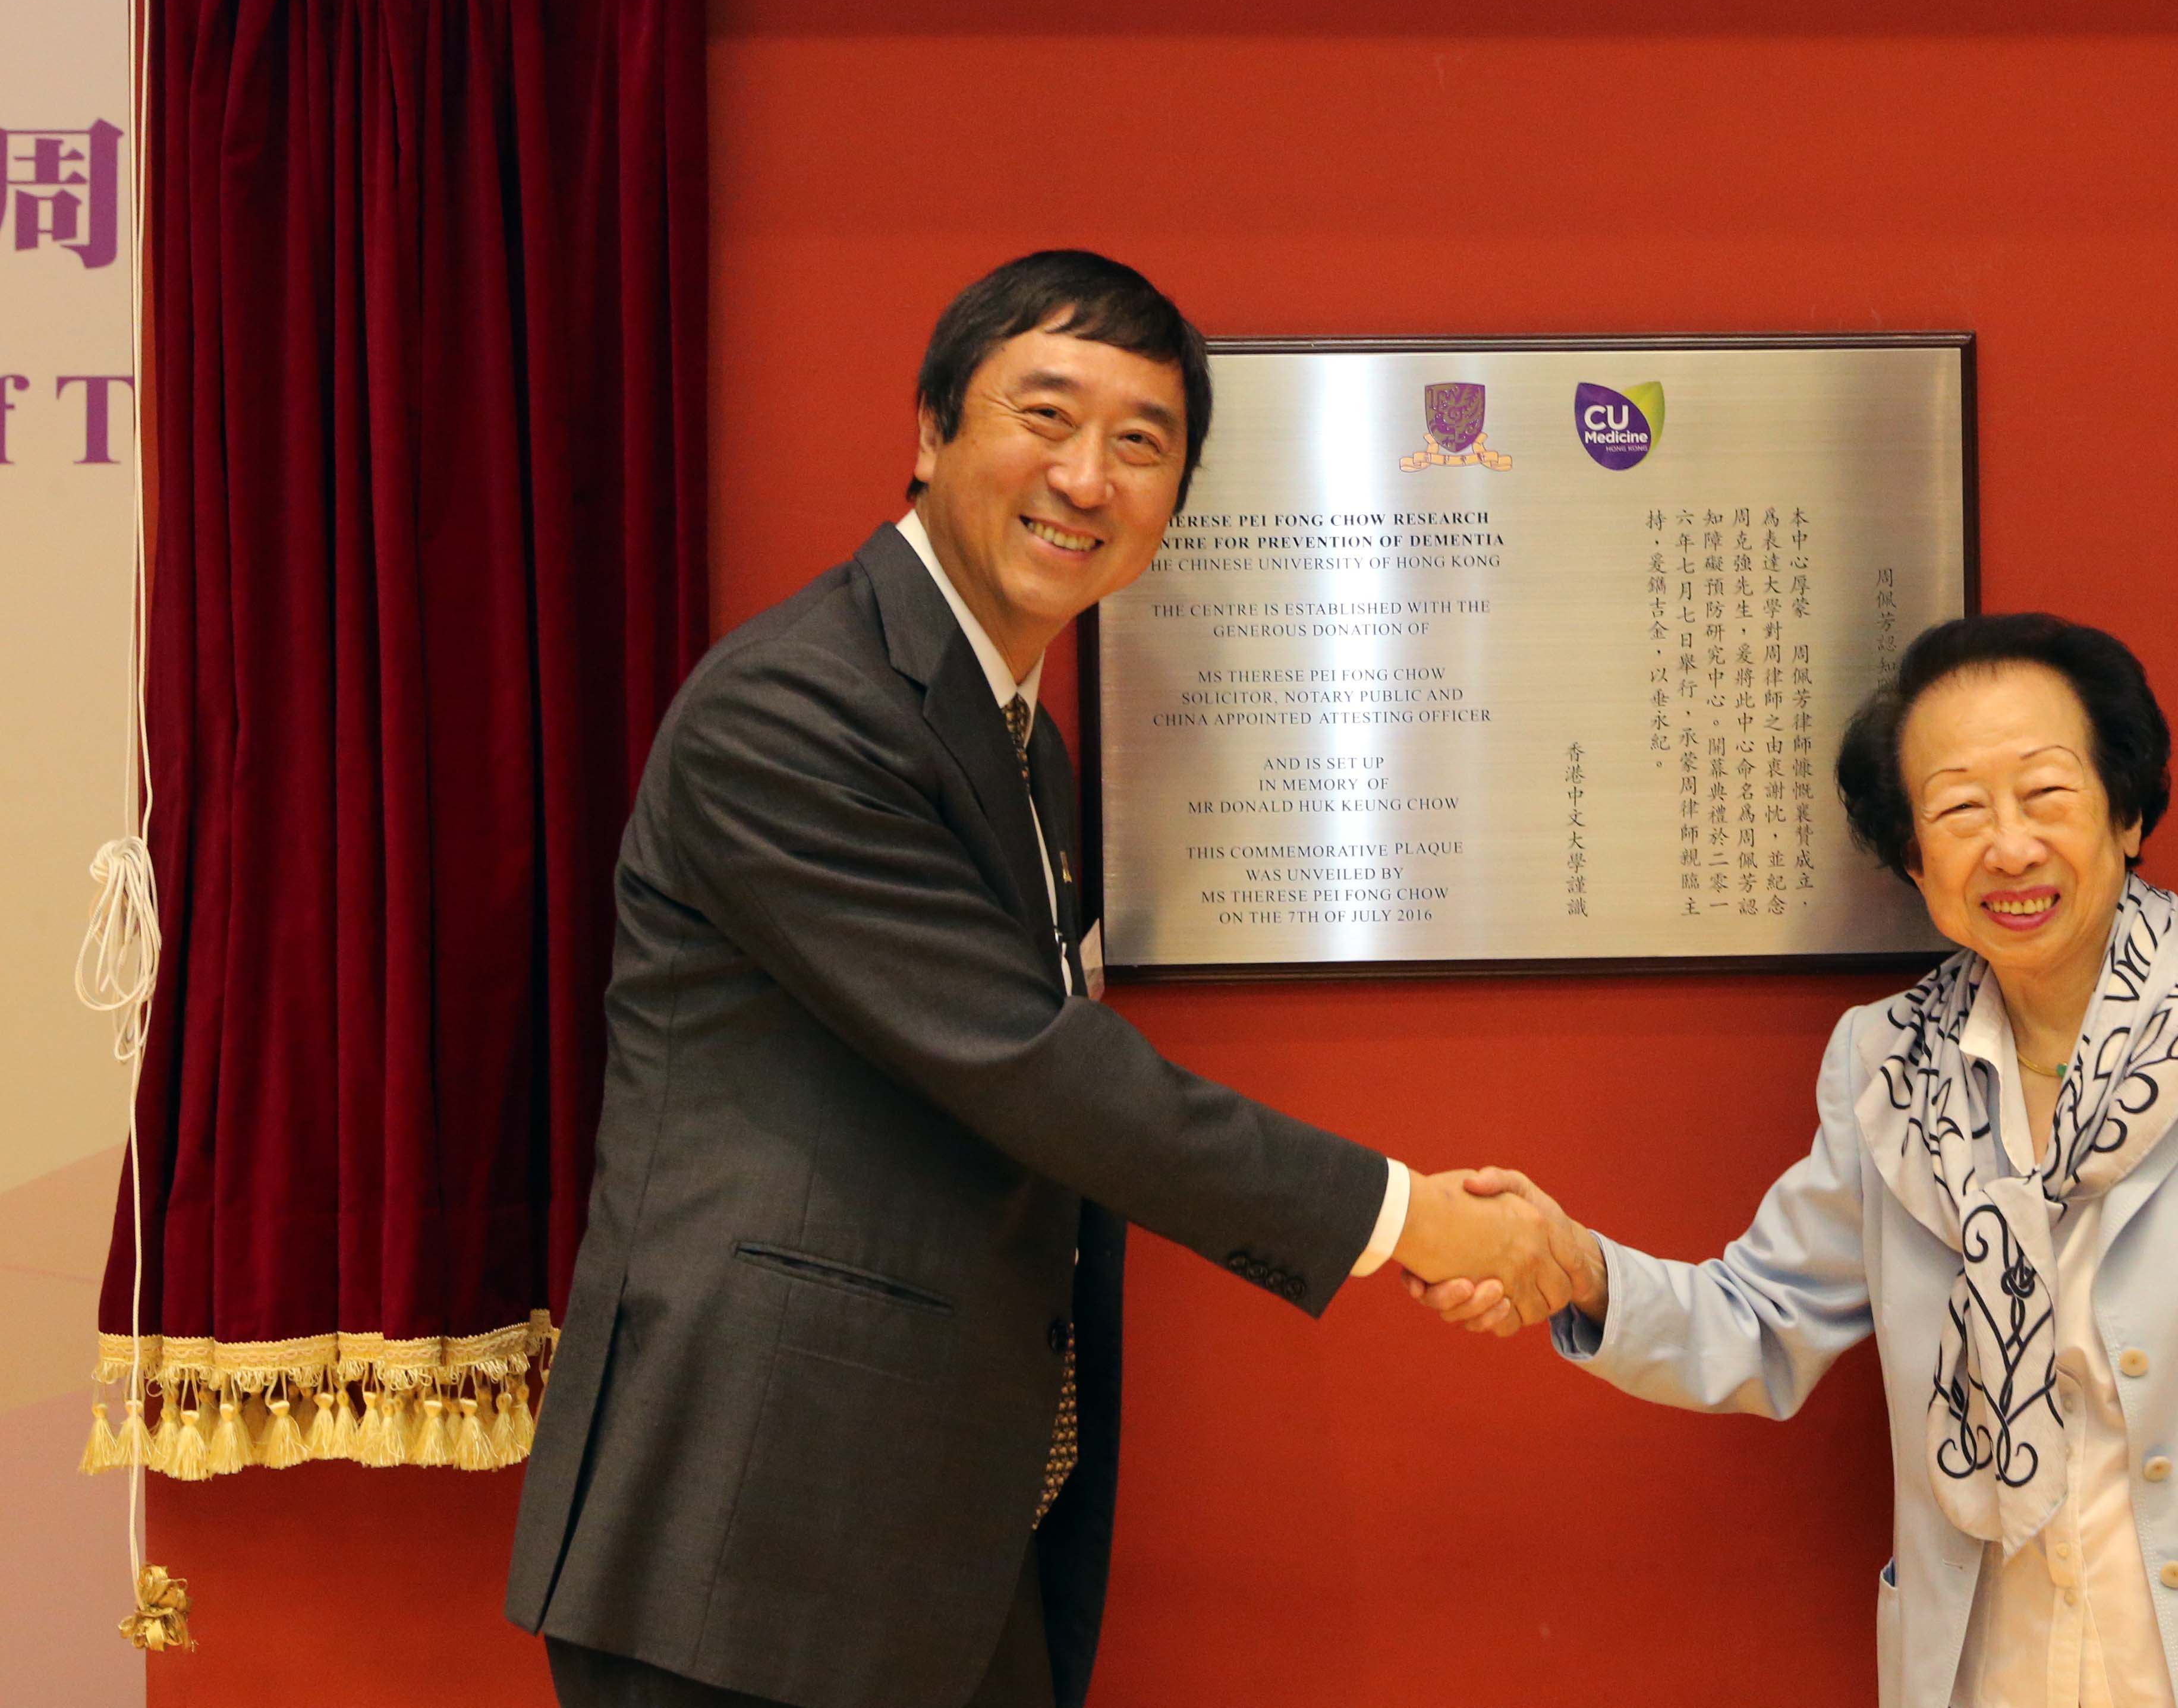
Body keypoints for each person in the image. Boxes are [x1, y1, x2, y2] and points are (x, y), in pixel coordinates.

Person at [506, 250, 1587, 1708]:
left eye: (1141, 444)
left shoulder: (1023, 740)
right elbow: (1032, 1066)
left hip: (932, 1530)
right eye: (1046, 416)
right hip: (758, 1527)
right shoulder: (798, 706)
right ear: (931, 432)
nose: (1088, 478)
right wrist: (1409, 1219)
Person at [1409, 613, 2178, 1708]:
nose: (2008, 847)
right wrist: (1577, 1265)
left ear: (2128, 810)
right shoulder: (1886, 1068)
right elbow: (1761, 1318)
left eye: (2046, 794)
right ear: (1916, 859)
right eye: (1959, 809)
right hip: (2005, 1669)